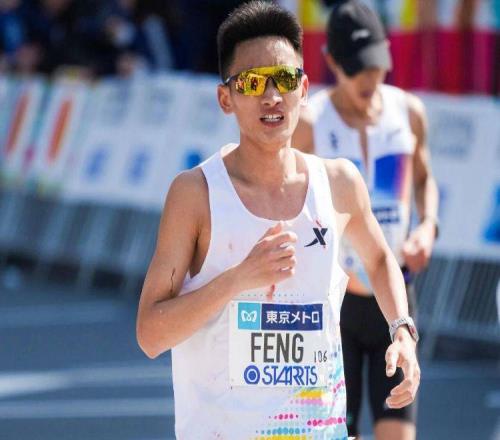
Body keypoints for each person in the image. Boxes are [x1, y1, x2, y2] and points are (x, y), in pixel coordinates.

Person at [136, 2, 420, 439]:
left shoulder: (339, 183)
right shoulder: (196, 193)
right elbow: (151, 335)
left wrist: (401, 329)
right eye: (252, 83)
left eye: (284, 79)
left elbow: (382, 260)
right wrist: (238, 279)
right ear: (226, 99)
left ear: (303, 88)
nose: (271, 96)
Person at [292, 1, 439, 439]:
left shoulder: (408, 111)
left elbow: (424, 179)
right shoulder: (311, 123)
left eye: (375, 65)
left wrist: (428, 225)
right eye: (356, 69)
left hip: (394, 298)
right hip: (334, 306)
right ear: (332, 62)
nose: (369, 80)